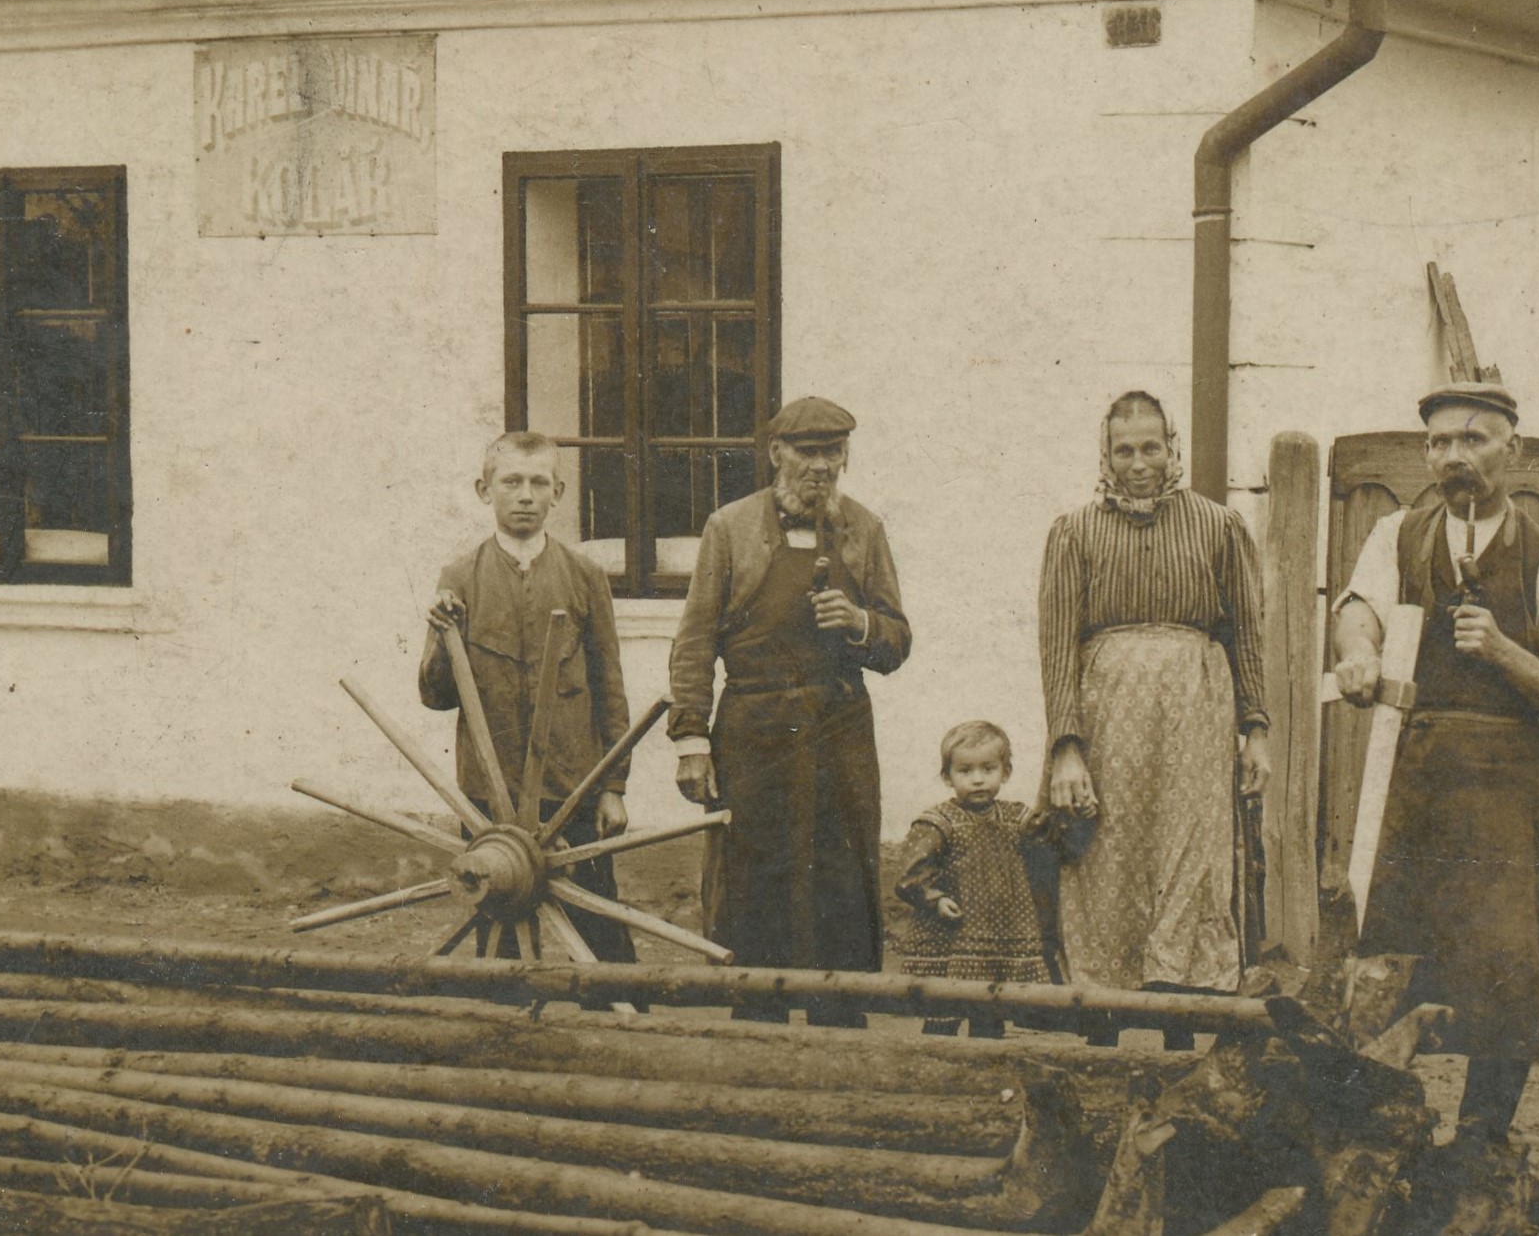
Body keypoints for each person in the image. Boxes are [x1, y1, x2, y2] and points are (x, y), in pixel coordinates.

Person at [1331, 366, 1539, 1147]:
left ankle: (1482, 1138)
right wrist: (1358, 652)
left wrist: (1504, 652)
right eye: (1439, 441)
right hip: (1414, 782)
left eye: (1473, 439)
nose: (1453, 455)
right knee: (1384, 953)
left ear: (1510, 451)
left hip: (1505, 794)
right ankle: (1382, 1129)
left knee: (1506, 963)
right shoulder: (1395, 535)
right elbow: (1358, 610)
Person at [667, 396, 910, 997]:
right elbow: (694, 639)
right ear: (776, 453)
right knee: (754, 876)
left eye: (833, 452)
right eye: (807, 452)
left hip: (839, 728)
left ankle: (841, 1014)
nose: (821, 466)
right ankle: (758, 1015)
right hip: (755, 731)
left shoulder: (865, 529)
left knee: (842, 874)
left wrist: (860, 624)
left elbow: (897, 640)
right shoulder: (730, 528)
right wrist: (691, 739)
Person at [1035, 389, 1270, 999]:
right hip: (1107, 716)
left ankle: (1183, 1004)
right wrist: (1066, 748)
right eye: (1124, 451)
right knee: (1106, 850)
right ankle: (1102, 1007)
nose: (1138, 464)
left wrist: (1257, 731)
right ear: (1106, 455)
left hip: (1196, 712)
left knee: (1191, 845)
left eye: (1150, 448)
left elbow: (1248, 634)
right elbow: (1057, 648)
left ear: (1172, 448)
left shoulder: (1219, 526)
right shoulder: (1074, 532)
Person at [420, 431, 636, 959]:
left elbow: (609, 687)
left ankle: (616, 1001)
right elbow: (435, 695)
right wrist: (446, 636)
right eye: (511, 482)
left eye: (539, 483)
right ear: (484, 490)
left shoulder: (584, 576)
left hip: (571, 785)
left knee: (596, 917)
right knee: (499, 916)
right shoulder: (459, 578)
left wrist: (613, 786)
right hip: (489, 790)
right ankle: (507, 1004)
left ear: (558, 493)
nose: (525, 496)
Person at [891, 721, 1091, 1032]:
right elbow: (911, 872)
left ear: (1005, 772)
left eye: (988, 769)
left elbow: (1053, 838)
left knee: (992, 1009)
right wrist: (935, 899)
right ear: (947, 777)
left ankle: (989, 1055)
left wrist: (1076, 814)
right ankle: (935, 1052)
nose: (978, 779)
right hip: (954, 933)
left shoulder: (1016, 817)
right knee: (944, 1007)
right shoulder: (938, 822)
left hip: (1002, 934)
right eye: (965, 771)